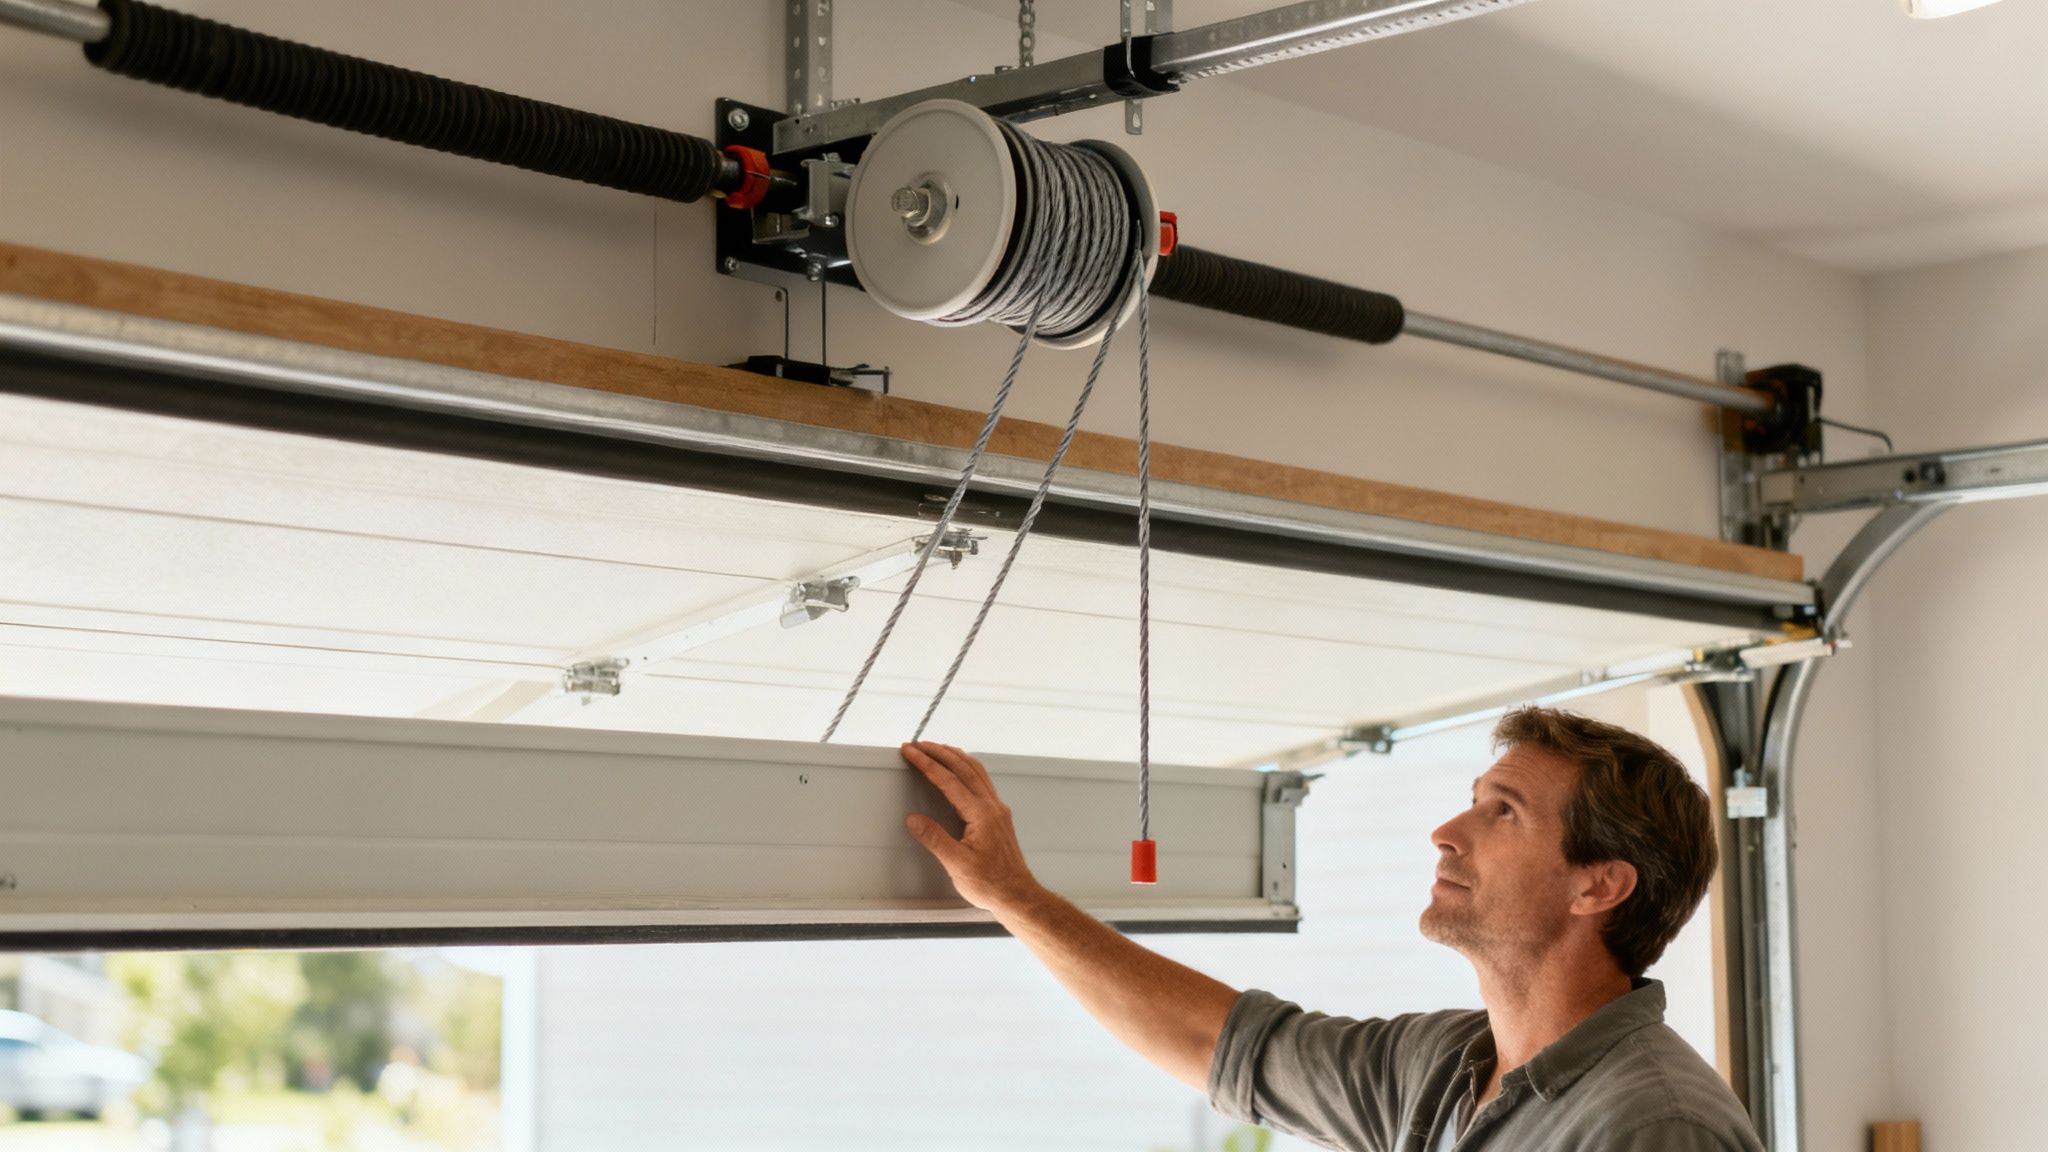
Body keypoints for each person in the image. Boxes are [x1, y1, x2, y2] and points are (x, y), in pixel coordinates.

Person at [899, 706, 1763, 1151]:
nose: (1448, 832)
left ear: (1599, 885)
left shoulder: (1656, 1127)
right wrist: (1016, 897)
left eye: (1503, 814)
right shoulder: (1442, 1070)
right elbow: (1220, 1044)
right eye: (1471, 802)